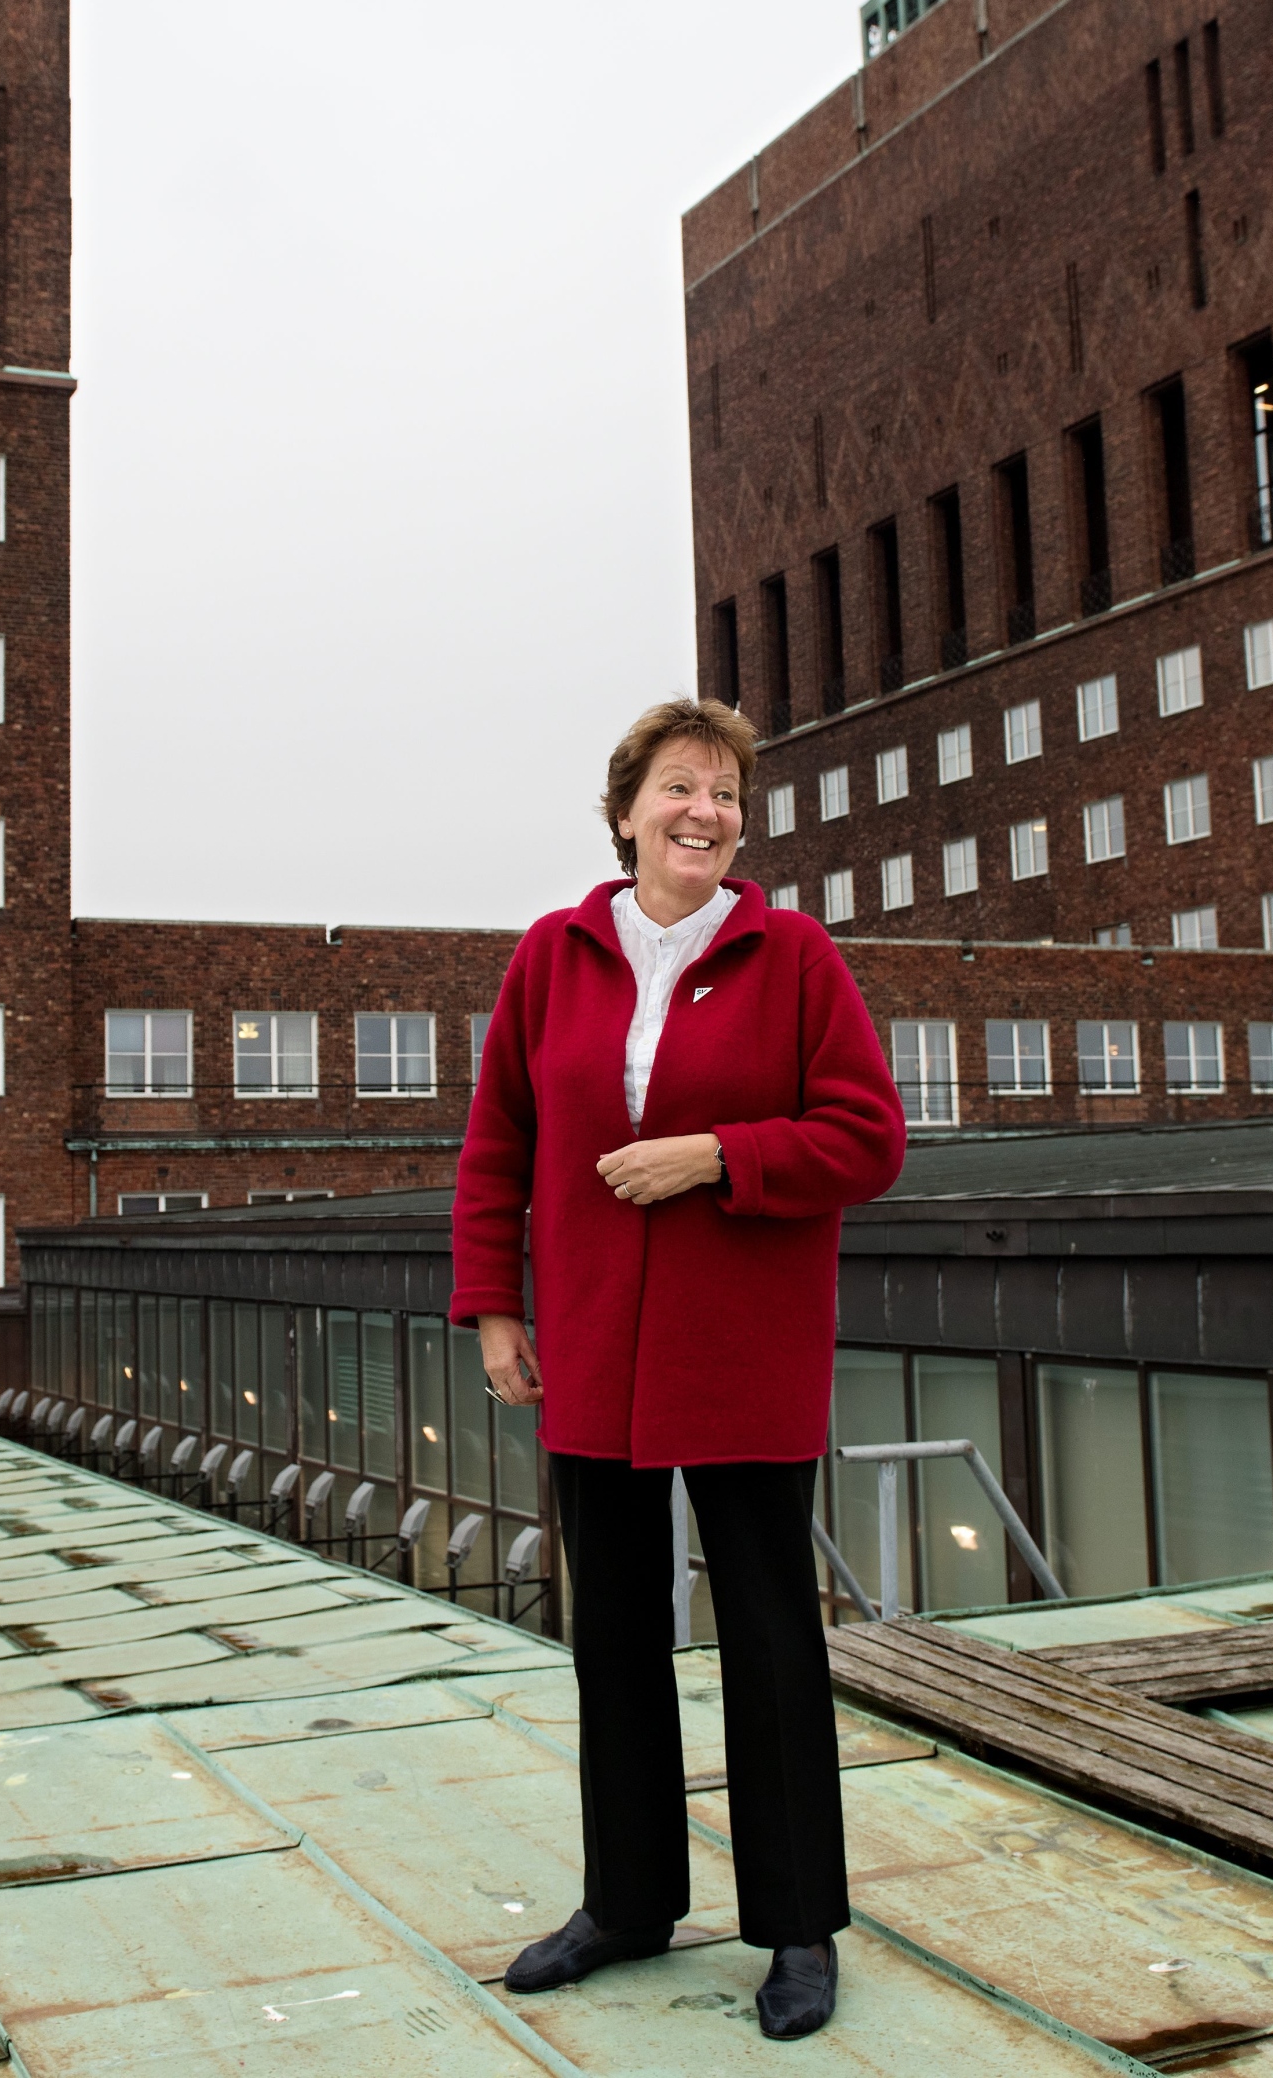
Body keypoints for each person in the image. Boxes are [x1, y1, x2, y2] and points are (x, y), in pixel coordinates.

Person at [451, 697, 906, 2042]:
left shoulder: (795, 955)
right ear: (628, 809)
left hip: (744, 1361)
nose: (704, 811)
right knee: (616, 1643)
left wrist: (718, 1154)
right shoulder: (552, 955)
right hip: (591, 1354)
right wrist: (494, 1310)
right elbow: (498, 1150)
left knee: (770, 1641)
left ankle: (799, 1927)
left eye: (726, 793)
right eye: (680, 788)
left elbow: (867, 1140)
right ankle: (628, 1903)